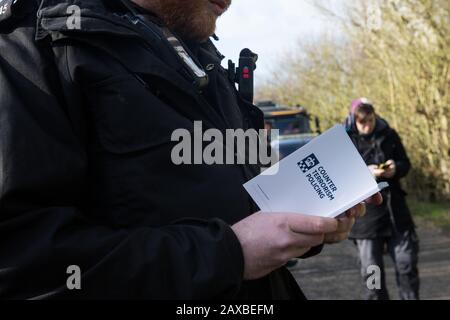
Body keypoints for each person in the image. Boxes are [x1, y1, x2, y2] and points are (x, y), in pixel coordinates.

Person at [0, 0, 380, 299]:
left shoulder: (200, 54)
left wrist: (304, 217)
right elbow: (21, 261)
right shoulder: (31, 48)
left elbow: (233, 203)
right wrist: (229, 254)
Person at [345, 98, 419, 300]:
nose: (367, 126)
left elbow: (406, 164)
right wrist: (365, 172)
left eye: (371, 120)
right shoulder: (345, 140)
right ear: (354, 120)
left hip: (396, 211)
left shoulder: (390, 135)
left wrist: (396, 168)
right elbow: (341, 177)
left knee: (407, 266)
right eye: (363, 123)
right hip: (366, 219)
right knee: (372, 275)